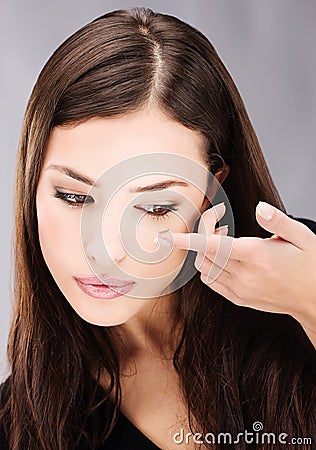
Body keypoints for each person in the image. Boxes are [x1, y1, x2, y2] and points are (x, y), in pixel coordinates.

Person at [0, 7, 315, 450]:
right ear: (31, 185)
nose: (104, 250)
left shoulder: (305, 273)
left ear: (211, 193)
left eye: (153, 206)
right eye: (74, 197)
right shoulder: (20, 423)